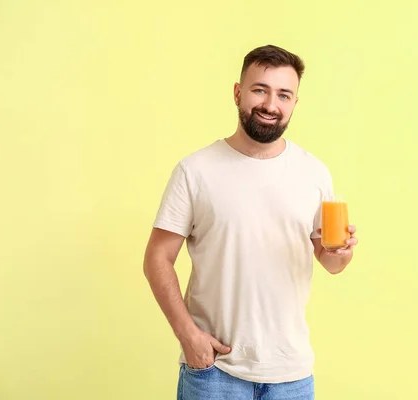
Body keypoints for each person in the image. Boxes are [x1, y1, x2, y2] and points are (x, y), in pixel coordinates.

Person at [143, 44, 358, 400]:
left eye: (283, 95)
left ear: (294, 103)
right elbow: (157, 258)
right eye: (260, 90)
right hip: (214, 373)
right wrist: (188, 336)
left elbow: (330, 261)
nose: (271, 105)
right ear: (238, 93)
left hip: (292, 375)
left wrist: (343, 252)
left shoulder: (314, 172)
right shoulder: (195, 171)